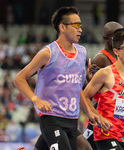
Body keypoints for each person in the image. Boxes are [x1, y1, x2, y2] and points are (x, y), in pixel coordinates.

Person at [13, 6, 99, 150]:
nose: (80, 29)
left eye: (81, 26)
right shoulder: (48, 53)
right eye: (76, 25)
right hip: (51, 118)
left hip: (72, 120)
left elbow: (77, 88)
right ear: (62, 27)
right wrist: (36, 99)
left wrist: (89, 111)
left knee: (86, 148)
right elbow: (19, 78)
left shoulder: (82, 52)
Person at [82, 22, 124, 150]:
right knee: (86, 145)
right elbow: (86, 94)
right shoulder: (102, 61)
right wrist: (96, 116)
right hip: (105, 117)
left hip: (122, 121)